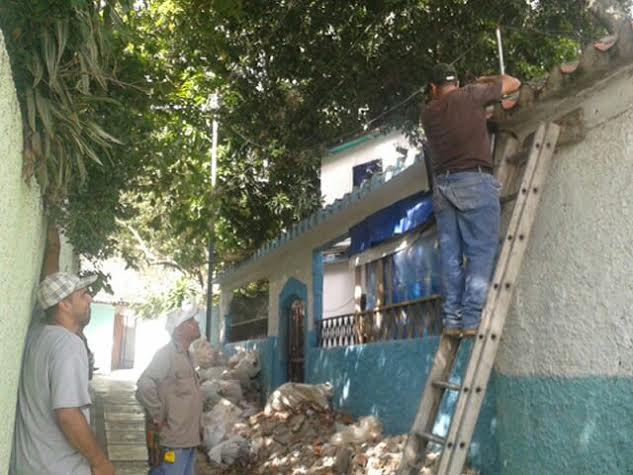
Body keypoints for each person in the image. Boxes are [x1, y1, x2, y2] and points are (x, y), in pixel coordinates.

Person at [421, 63, 521, 337]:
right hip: (474, 182)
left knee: (450, 256)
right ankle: (471, 320)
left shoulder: (428, 114)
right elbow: (513, 82)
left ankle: (452, 320)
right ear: (457, 82)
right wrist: (482, 80)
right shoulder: (471, 95)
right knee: (481, 251)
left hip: (442, 188)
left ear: (433, 88)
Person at [10, 272, 114, 475]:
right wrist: (100, 462)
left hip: (27, 464)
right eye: (83, 294)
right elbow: (68, 414)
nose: (90, 299)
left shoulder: (37, 334)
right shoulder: (68, 345)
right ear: (65, 305)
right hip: (60, 469)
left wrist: (53, 244)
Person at [136, 303, 203, 475]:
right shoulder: (166, 355)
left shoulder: (188, 355)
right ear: (179, 330)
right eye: (191, 321)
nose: (197, 324)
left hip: (188, 440)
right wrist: (158, 416)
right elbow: (144, 385)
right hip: (173, 441)